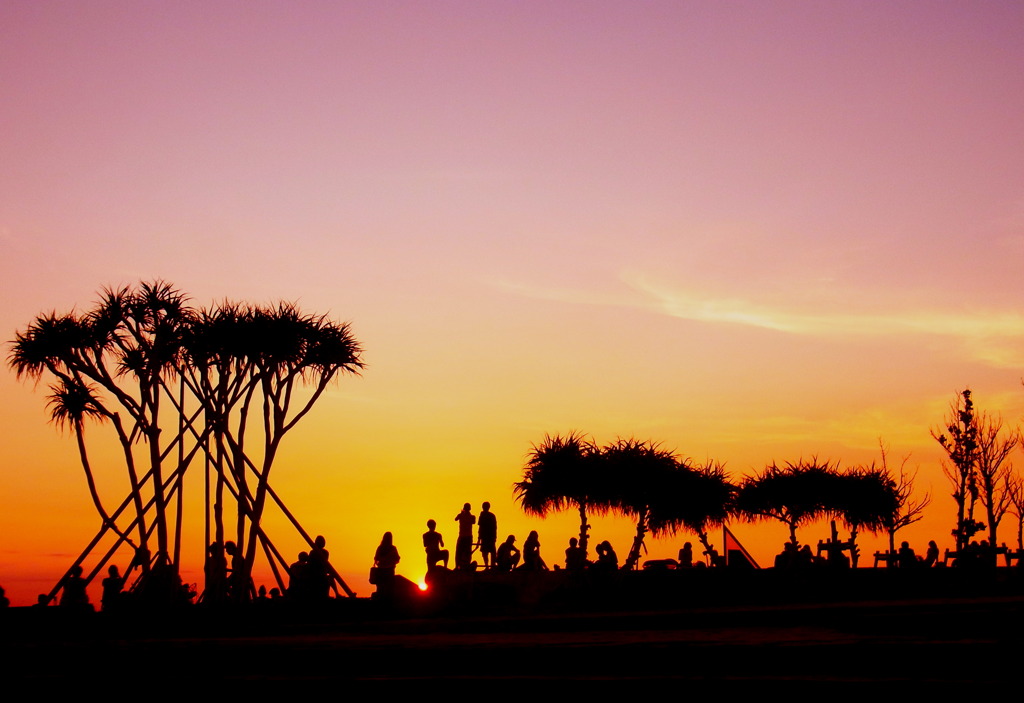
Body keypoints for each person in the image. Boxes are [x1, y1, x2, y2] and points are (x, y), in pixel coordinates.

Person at [373, 532, 401, 597]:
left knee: (380, 588)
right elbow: (397, 559)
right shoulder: (393, 548)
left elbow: (376, 558)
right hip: (389, 570)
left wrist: (382, 560)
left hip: (380, 570)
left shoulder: (380, 548)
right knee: (389, 588)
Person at [454, 503, 476, 570]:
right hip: (466, 537)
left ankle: (459, 566)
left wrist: (462, 514)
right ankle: (460, 566)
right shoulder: (470, 516)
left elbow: (456, 519)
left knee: (460, 552)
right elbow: (455, 519)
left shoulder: (469, 516)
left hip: (464, 537)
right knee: (465, 552)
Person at [478, 502, 498, 568]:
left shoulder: (491, 515)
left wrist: (494, 536)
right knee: (485, 552)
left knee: (491, 552)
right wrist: (479, 537)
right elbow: (480, 527)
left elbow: (494, 527)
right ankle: (487, 566)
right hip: (485, 536)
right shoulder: (483, 515)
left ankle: (491, 565)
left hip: (489, 536)